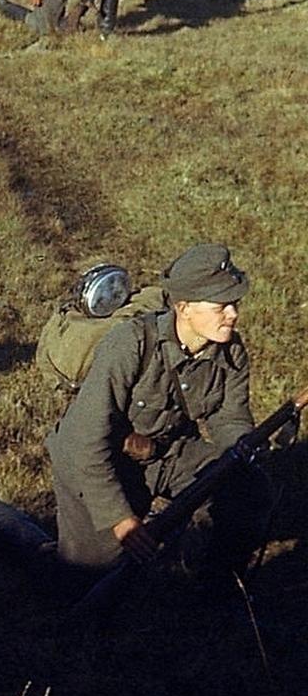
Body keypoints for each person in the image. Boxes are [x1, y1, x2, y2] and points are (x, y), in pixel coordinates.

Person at [47, 244, 272, 583]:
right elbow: (85, 442)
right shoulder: (130, 345)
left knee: (248, 489)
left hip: (165, 453)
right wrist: (120, 519)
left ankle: (217, 585)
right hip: (97, 460)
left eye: (235, 303)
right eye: (221, 306)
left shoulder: (231, 351)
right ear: (184, 308)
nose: (233, 314)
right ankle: (15, 533)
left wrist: (241, 454)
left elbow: (230, 419)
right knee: (89, 575)